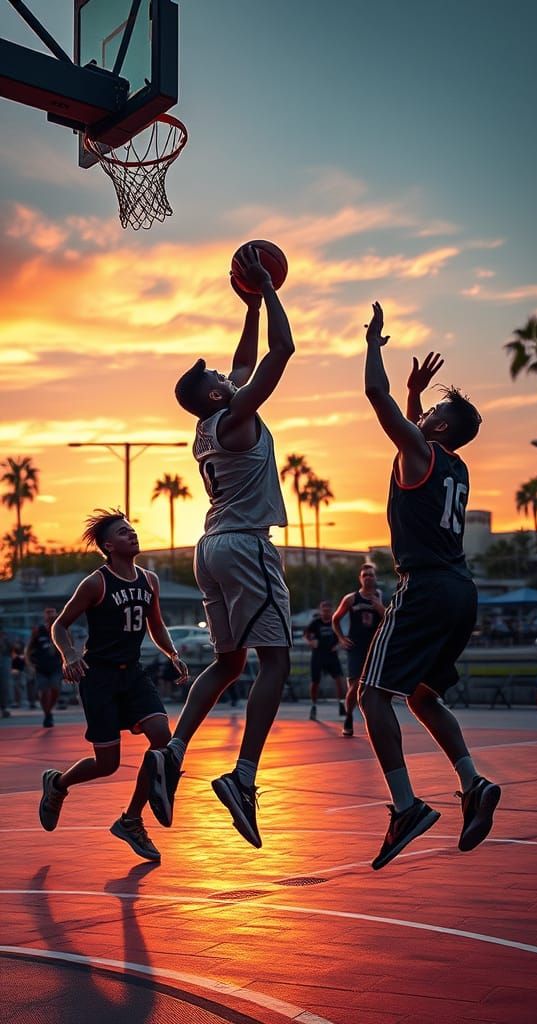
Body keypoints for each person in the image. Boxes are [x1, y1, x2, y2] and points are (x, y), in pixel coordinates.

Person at [145, 244, 294, 849]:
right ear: (212, 396)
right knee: (276, 662)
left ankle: (174, 752)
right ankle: (243, 776)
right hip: (244, 547)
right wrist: (271, 290)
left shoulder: (210, 423)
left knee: (230, 661)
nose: (224, 376)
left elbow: (244, 361)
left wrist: (251, 308)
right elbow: (280, 355)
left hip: (210, 547)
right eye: (215, 379)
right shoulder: (234, 418)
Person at [359, 303, 500, 869]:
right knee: (422, 696)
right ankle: (472, 783)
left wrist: (374, 345)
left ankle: (405, 806)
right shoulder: (454, 467)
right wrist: (420, 396)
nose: (427, 412)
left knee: (371, 696)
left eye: (435, 409)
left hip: (426, 586)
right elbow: (414, 437)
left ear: (438, 428)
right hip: (461, 590)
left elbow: (377, 397)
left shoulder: (420, 450)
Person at [39, 509, 188, 862]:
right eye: (123, 532)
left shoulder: (149, 580)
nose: (132, 535)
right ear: (108, 545)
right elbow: (60, 626)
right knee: (107, 763)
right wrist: (70, 654)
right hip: (99, 677)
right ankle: (57, 785)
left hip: (133, 673)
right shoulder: (96, 583)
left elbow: (156, 624)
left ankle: (131, 819)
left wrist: (172, 653)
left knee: (162, 737)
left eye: (132, 529)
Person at [332, 564, 385, 736]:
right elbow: (335, 619)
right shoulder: (351, 599)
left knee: (373, 686)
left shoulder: (379, 597)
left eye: (371, 575)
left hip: (374, 647)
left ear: (375, 578)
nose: (368, 577)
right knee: (354, 685)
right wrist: (341, 638)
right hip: (355, 647)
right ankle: (348, 717)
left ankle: (374, 720)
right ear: (360, 578)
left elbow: (388, 619)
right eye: (365, 575)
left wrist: (380, 608)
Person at [304, 600, 346, 721]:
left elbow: (342, 636)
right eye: (324, 609)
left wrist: (339, 644)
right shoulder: (315, 623)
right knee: (315, 682)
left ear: (332, 610)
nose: (326, 612)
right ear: (320, 610)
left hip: (332, 655)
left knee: (340, 680)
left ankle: (341, 704)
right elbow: (306, 634)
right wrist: (311, 642)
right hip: (318, 655)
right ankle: (313, 706)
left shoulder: (335, 621)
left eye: (328, 609)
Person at [26, 609, 62, 727]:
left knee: (55, 689)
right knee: (43, 691)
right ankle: (47, 714)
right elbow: (28, 649)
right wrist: (30, 664)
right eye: (48, 613)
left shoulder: (61, 629)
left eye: (53, 613)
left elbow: (69, 647)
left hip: (56, 666)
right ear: (45, 617)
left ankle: (49, 710)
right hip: (40, 667)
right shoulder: (38, 631)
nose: (51, 616)